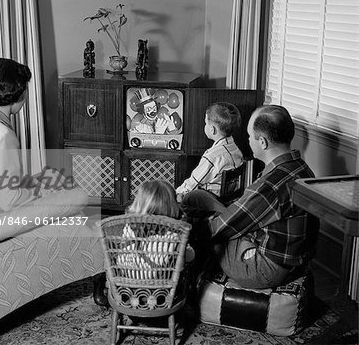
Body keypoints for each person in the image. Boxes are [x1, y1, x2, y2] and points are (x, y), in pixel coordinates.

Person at [0, 58, 87, 218]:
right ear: (20, 93)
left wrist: (36, 181)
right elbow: (10, 201)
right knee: (77, 197)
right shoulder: (3, 135)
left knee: (51, 177)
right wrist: (46, 193)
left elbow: (0, 178)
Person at [205, 105, 319, 289]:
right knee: (203, 199)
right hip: (295, 263)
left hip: (266, 271)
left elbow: (220, 228)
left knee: (208, 238)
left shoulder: (271, 185)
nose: (248, 140)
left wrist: (188, 226)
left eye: (250, 136)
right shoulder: (300, 167)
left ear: (263, 143)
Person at [93, 180, 194, 305]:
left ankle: (104, 282)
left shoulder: (129, 225)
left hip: (124, 288)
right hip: (159, 294)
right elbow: (189, 258)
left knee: (117, 254)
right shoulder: (176, 232)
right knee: (184, 263)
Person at [176, 102, 243, 205]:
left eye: (205, 123)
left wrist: (174, 194)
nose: (205, 126)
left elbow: (193, 183)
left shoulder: (212, 157)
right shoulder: (234, 148)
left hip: (209, 203)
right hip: (228, 202)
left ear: (212, 129)